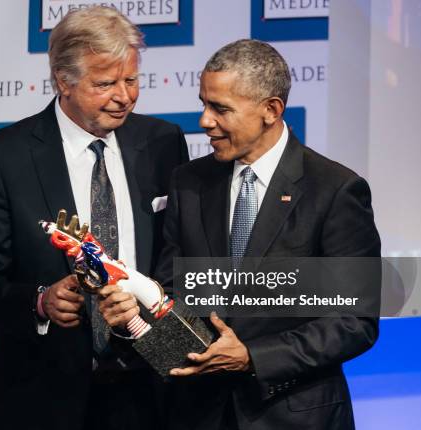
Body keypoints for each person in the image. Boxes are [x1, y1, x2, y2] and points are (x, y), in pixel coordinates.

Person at [0, 6, 189, 430]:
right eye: (105, 83)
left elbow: (179, 256)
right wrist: (39, 301)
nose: (125, 96)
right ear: (64, 81)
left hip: (150, 388)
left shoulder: (163, 142)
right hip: (44, 395)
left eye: (131, 80)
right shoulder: (3, 157)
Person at [154, 39, 381, 429]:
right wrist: (139, 316)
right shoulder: (188, 182)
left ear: (271, 110)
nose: (205, 121)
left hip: (294, 415)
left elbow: (354, 320)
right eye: (204, 104)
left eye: (220, 109)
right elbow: (174, 288)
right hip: (198, 412)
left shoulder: (335, 190)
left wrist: (253, 356)